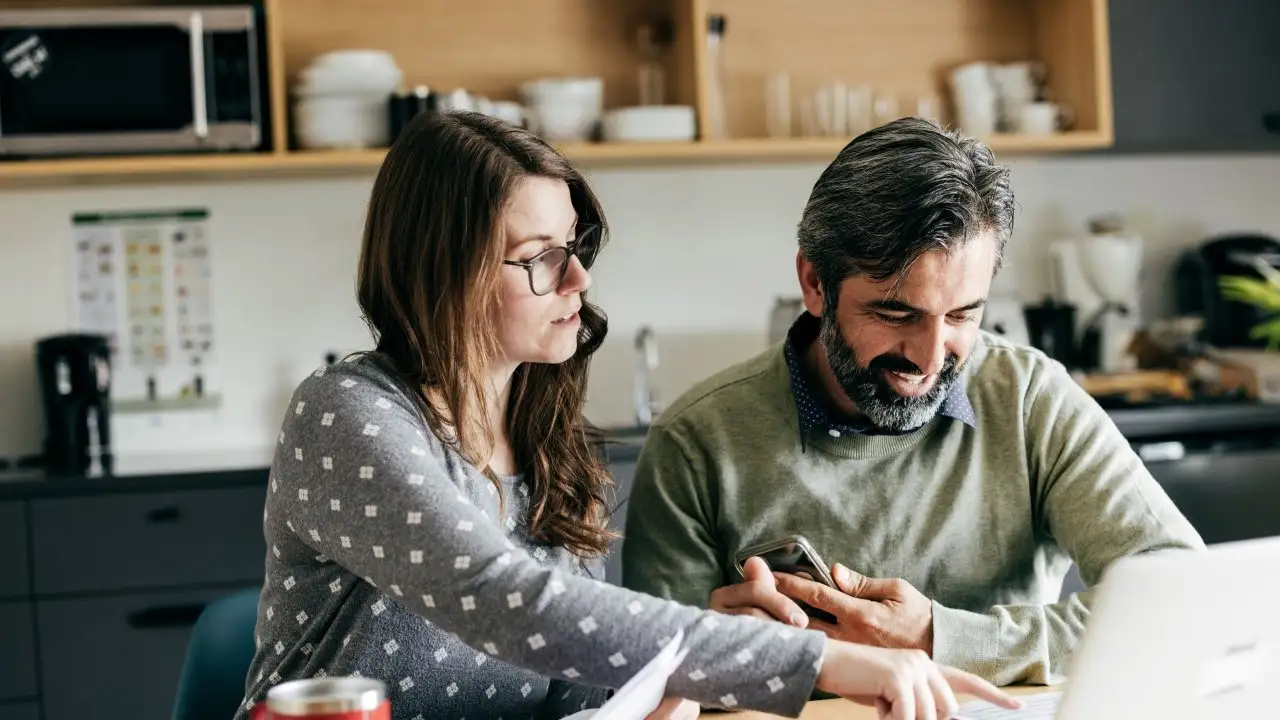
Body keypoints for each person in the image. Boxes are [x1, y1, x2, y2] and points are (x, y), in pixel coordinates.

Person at [235, 111, 1019, 720]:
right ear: (449, 269)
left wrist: (663, 686)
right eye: (540, 255)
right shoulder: (348, 413)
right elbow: (507, 598)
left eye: (576, 246)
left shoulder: (549, 447)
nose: (578, 276)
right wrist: (816, 664)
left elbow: (571, 691)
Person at [620, 117, 1206, 688]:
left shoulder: (1029, 400)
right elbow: (650, 684)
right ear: (814, 283)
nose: (930, 358)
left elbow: (1181, 598)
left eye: (962, 315)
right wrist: (714, 659)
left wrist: (940, 639)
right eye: (896, 314)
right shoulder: (695, 442)